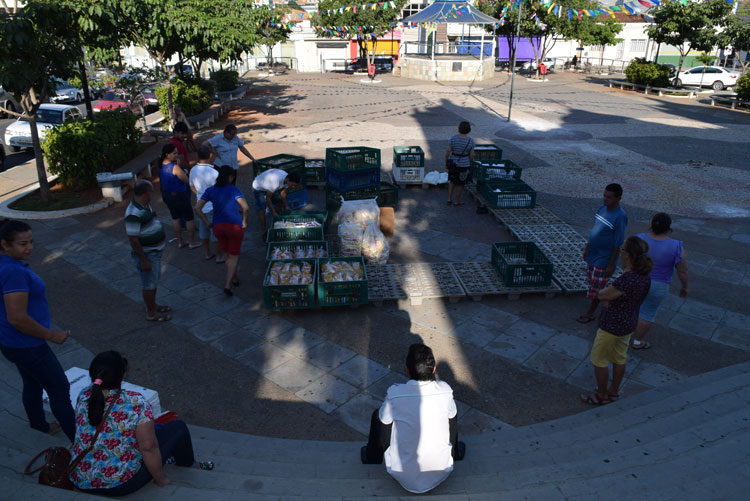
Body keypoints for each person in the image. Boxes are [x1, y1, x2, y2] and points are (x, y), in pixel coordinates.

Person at [69, 351, 214, 495]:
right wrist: (160, 479)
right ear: (122, 376)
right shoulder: (136, 403)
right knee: (177, 427)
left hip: (79, 478)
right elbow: (148, 447)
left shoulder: (84, 395)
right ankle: (189, 464)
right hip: (118, 485)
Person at [0, 219, 76, 442]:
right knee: (58, 388)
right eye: (23, 244)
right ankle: (82, 448)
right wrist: (52, 335)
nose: (30, 248)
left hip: (12, 343)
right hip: (28, 345)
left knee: (32, 382)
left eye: (31, 241)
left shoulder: (8, 265)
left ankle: (39, 425)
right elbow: (17, 317)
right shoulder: (13, 271)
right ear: (4, 244)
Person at [361, 344, 464, 494]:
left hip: (401, 473)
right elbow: (451, 420)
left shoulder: (395, 393)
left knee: (379, 415)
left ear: (406, 370)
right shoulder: (445, 390)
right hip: (442, 470)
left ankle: (372, 457)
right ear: (434, 369)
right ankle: (456, 453)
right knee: (451, 414)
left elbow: (384, 421)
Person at [582, 236, 652, 405]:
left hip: (612, 324)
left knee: (599, 359)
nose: (620, 252)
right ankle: (613, 392)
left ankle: (601, 395)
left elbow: (603, 294)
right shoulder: (644, 276)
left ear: (628, 255)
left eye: (622, 249)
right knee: (620, 357)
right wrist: (610, 298)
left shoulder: (628, 278)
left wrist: (607, 298)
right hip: (628, 323)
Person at [632, 213, 689, 350]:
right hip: (659, 285)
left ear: (651, 224)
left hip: (637, 279)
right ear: (668, 228)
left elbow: (626, 257)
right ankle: (638, 342)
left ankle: (621, 333)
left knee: (630, 306)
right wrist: (685, 287)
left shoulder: (638, 239)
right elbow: (682, 271)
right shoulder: (676, 246)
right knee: (647, 313)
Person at [196, 165, 250, 297]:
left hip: (218, 227)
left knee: (227, 254)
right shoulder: (234, 190)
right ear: (230, 177)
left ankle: (235, 278)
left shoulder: (210, 190)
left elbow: (197, 208)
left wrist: (207, 222)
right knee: (234, 255)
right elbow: (246, 207)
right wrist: (244, 221)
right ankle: (228, 285)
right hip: (234, 226)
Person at [578, 183, 627, 323]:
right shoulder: (602, 209)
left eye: (609, 197)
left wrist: (611, 265)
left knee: (597, 287)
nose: (605, 199)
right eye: (604, 196)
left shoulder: (620, 217)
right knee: (592, 282)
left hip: (604, 258)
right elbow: (595, 230)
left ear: (618, 198)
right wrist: (587, 249)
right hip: (593, 254)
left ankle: (590, 313)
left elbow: (618, 243)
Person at [125, 180, 172, 322]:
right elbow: (133, 239)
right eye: (150, 192)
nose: (152, 195)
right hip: (148, 255)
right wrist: (143, 260)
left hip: (154, 252)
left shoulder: (144, 205)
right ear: (145, 193)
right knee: (149, 284)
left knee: (153, 282)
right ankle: (151, 313)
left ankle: (153, 305)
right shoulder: (133, 213)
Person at [159, 143, 199, 249]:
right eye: (174, 153)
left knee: (175, 218)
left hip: (167, 195)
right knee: (189, 218)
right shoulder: (175, 167)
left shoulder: (161, 164)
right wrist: (183, 169)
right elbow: (186, 180)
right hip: (180, 195)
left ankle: (181, 242)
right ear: (167, 154)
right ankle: (192, 242)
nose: (177, 155)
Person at [189, 145, 224, 263]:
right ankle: (219, 256)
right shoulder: (214, 172)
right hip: (212, 206)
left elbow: (191, 186)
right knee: (215, 233)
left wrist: (200, 195)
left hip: (201, 206)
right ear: (210, 156)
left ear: (197, 156)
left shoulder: (193, 170)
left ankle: (207, 253)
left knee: (204, 232)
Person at [251, 168, 301, 236]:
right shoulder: (276, 182)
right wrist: (273, 211)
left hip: (269, 185)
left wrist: (286, 206)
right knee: (262, 210)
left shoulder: (286, 178)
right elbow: (268, 198)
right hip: (258, 187)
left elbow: (283, 193)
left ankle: (278, 222)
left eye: (294, 185)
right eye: (292, 185)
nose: (293, 187)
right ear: (288, 180)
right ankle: (264, 232)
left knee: (279, 202)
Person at [445, 121, 475, 206]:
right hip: (464, 165)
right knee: (461, 183)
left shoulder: (453, 138)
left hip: (453, 163)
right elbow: (472, 155)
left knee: (452, 181)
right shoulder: (470, 141)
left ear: (459, 129)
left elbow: (448, 151)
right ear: (469, 130)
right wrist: (470, 162)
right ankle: (457, 200)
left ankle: (449, 199)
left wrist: (446, 160)